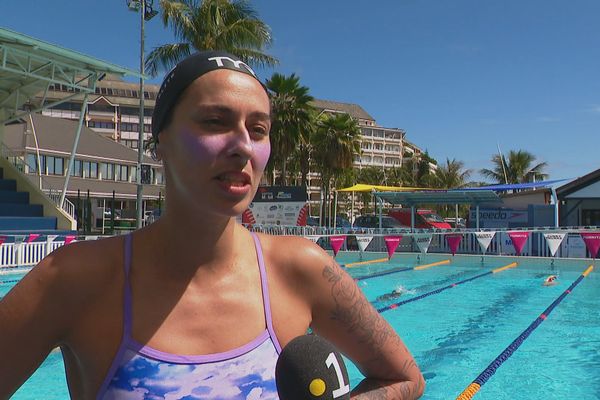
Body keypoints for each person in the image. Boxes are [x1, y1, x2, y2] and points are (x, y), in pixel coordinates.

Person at [0, 51, 424, 399]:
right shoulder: (75, 279)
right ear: (160, 142)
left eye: (258, 129)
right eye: (215, 122)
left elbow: (404, 378)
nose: (242, 144)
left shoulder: (302, 269)